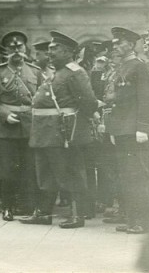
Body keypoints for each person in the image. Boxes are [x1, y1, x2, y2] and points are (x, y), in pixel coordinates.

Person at [21, 31, 98, 229]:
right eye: (49, 50)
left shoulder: (75, 72)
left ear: (68, 52)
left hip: (63, 133)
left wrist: (76, 128)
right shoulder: (56, 72)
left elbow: (88, 103)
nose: (50, 53)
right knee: (45, 174)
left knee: (70, 173)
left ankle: (76, 215)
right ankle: (44, 213)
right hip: (44, 133)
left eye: (55, 49)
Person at [103, 27, 149, 234]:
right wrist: (115, 131)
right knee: (126, 176)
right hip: (123, 130)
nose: (115, 46)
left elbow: (147, 98)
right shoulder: (122, 68)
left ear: (132, 45)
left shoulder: (139, 67)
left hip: (135, 130)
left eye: (120, 43)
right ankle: (132, 219)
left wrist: (142, 127)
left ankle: (142, 222)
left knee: (138, 177)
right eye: (114, 43)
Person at [0, 31, 43, 221]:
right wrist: (4, 115)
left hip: (29, 126)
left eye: (19, 47)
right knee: (6, 170)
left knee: (29, 168)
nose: (16, 51)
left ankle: (27, 205)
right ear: (6, 51)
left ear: (25, 48)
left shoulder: (35, 71)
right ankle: (7, 206)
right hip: (5, 127)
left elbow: (41, 98)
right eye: (12, 48)